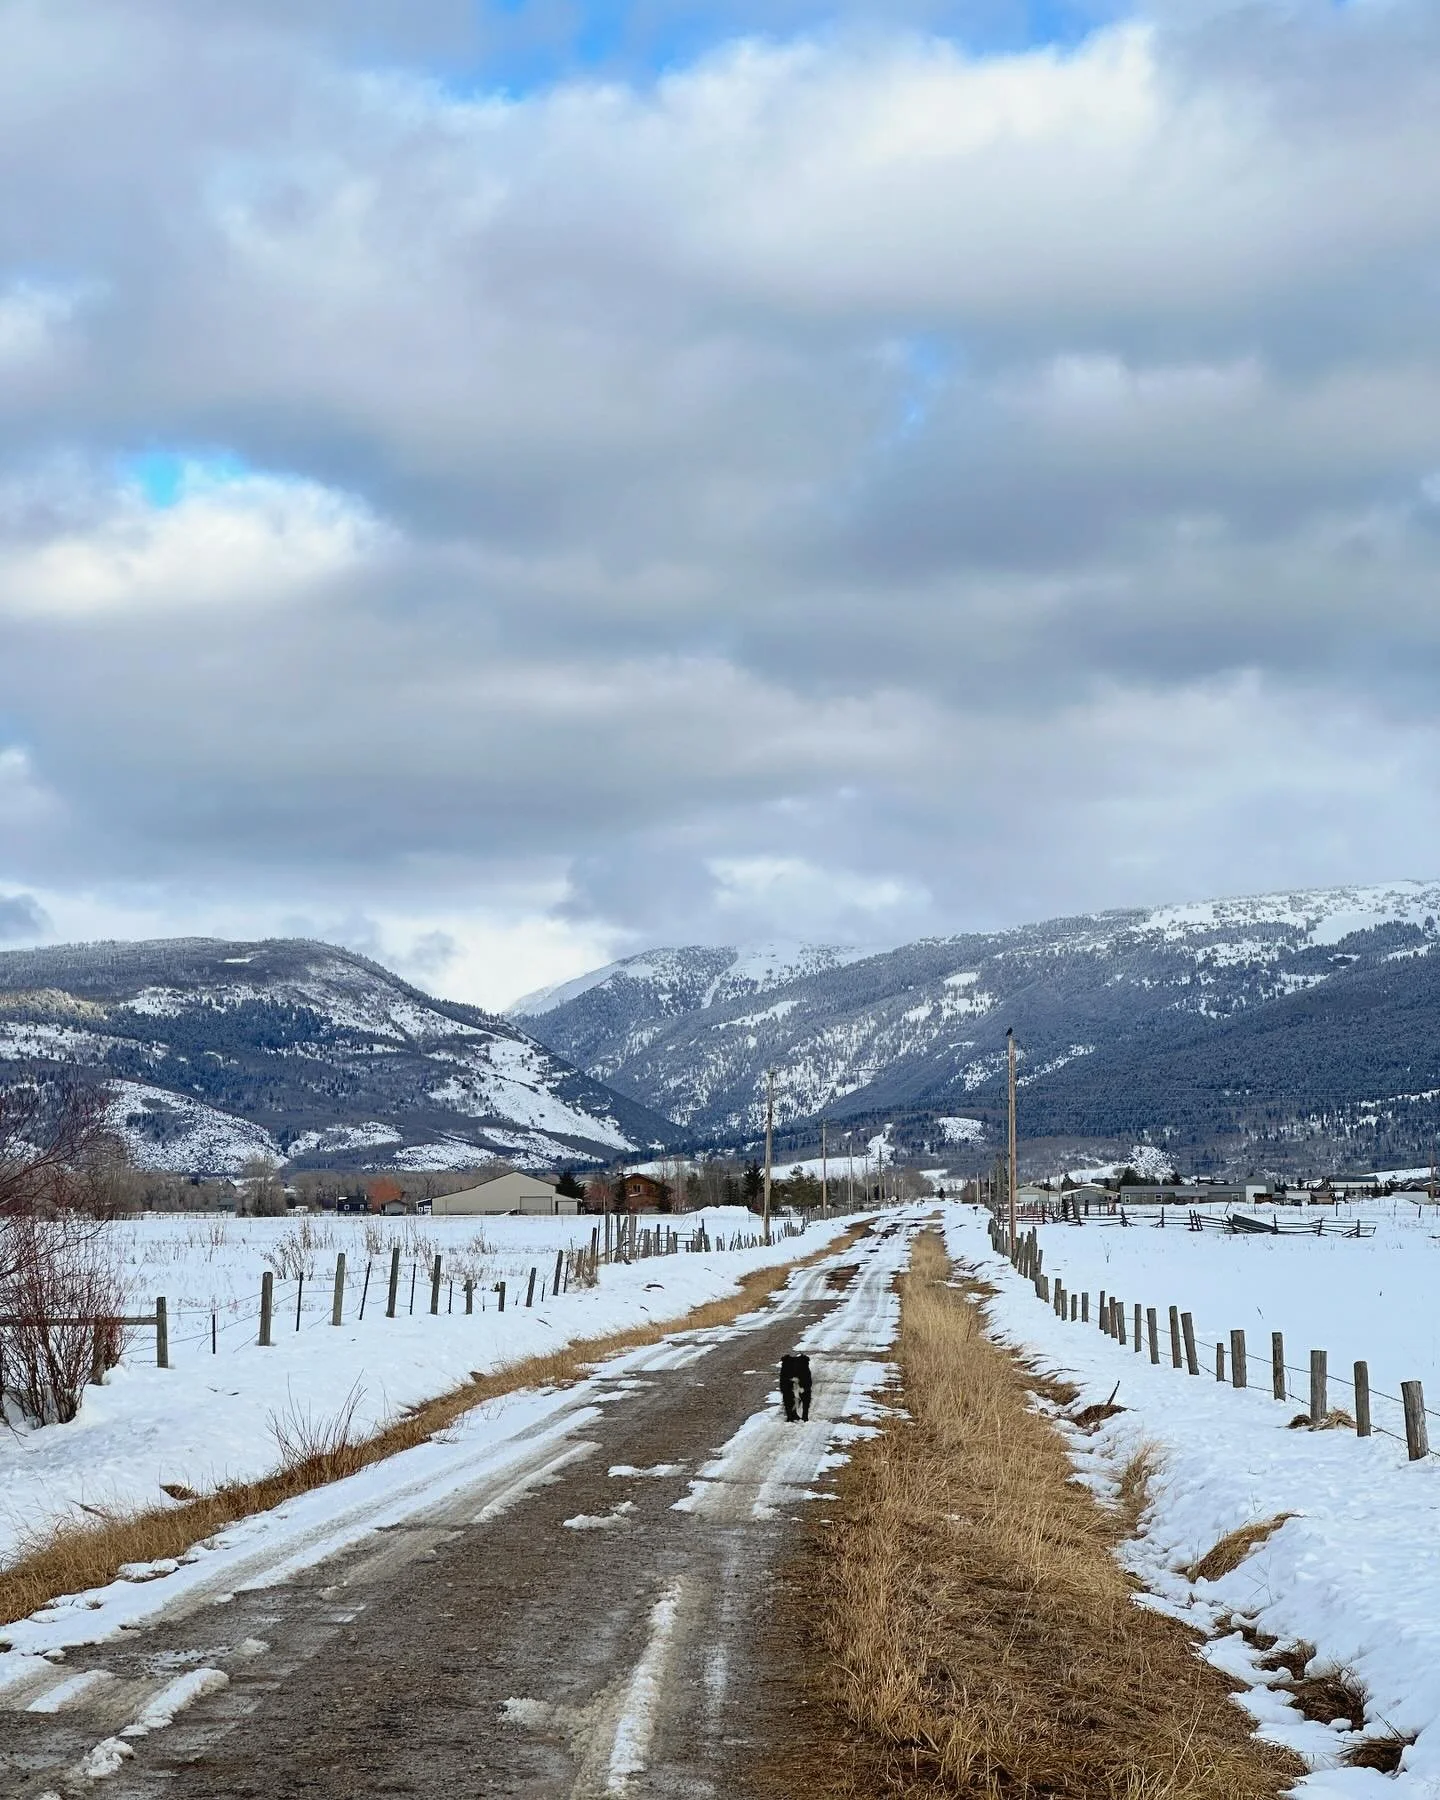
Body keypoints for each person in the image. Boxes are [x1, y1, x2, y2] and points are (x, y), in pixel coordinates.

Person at [779, 1352, 812, 1422]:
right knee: (802, 1396)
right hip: (792, 1379)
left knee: (788, 1397)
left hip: (798, 1379)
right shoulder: (802, 1363)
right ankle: (794, 1415)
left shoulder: (788, 1364)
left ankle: (795, 1416)